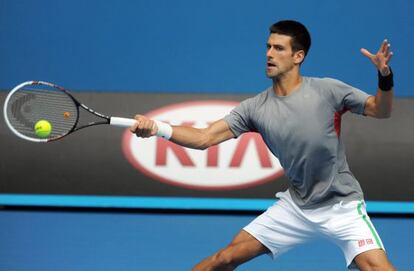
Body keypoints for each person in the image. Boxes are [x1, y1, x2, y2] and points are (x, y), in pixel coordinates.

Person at [130, 20, 395, 271]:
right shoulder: (255, 108)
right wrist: (157, 129)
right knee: (224, 259)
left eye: (279, 48)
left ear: (298, 57)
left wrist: (385, 76)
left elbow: (381, 110)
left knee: (377, 267)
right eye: (268, 47)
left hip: (341, 206)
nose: (269, 53)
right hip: (297, 207)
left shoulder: (328, 90)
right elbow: (204, 138)